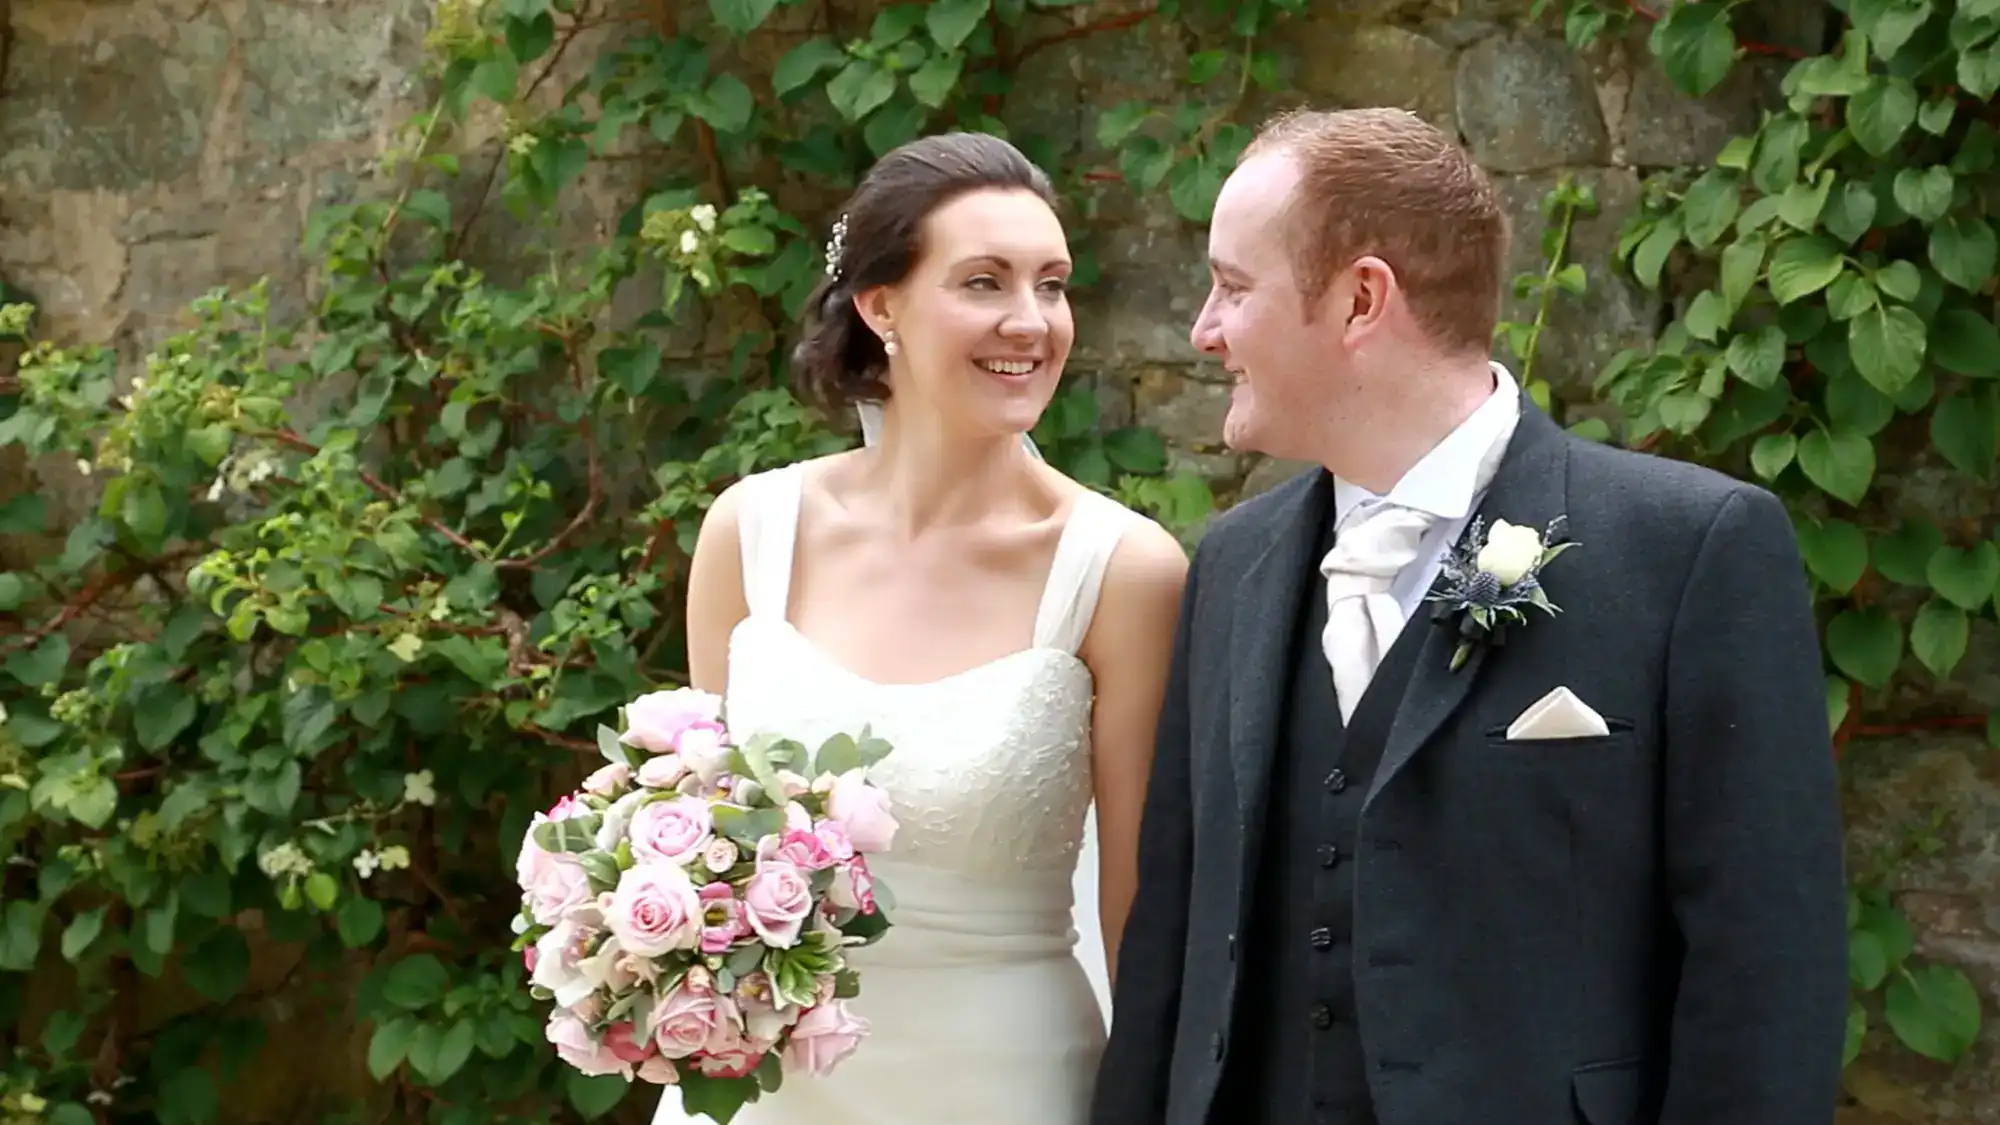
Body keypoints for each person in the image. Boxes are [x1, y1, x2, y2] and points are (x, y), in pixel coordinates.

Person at [1091, 106, 1849, 1125]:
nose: (1203, 330)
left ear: (1361, 299)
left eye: (1232, 288)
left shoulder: (1689, 547)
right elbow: (1170, 953)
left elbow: (1763, 973)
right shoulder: (1232, 564)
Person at [660, 132, 1189, 1125]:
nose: (1030, 322)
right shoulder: (751, 534)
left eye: (1052, 285)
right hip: (767, 1093)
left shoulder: (1122, 573)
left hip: (1008, 1083)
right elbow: (706, 853)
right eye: (984, 283)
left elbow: (1139, 913)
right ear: (880, 303)